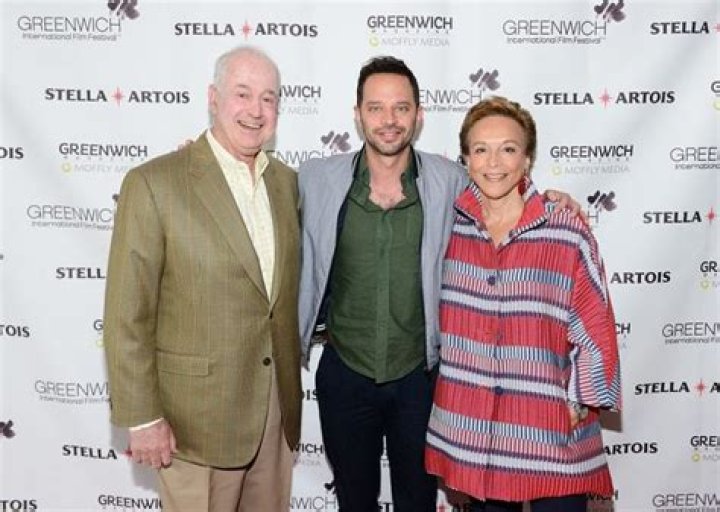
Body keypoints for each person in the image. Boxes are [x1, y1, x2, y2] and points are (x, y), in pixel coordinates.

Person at [298, 56, 582, 512]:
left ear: (419, 115)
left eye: (401, 107)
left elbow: (502, 189)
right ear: (357, 114)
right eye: (375, 108)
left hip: (422, 379)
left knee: (418, 501)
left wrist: (551, 200)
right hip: (345, 372)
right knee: (353, 501)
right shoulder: (316, 179)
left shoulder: (450, 181)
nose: (389, 120)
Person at [103, 46, 302, 512]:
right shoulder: (154, 183)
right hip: (194, 425)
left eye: (269, 98)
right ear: (214, 98)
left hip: (273, 419)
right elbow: (127, 313)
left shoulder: (287, 183)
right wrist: (142, 417)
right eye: (242, 94)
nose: (256, 110)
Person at [425, 96, 621, 512]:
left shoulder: (565, 229)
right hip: (474, 431)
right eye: (481, 149)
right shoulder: (448, 227)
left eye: (508, 149)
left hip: (548, 426)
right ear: (466, 159)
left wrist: (579, 400)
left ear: (527, 158)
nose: (494, 162)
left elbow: (595, 324)